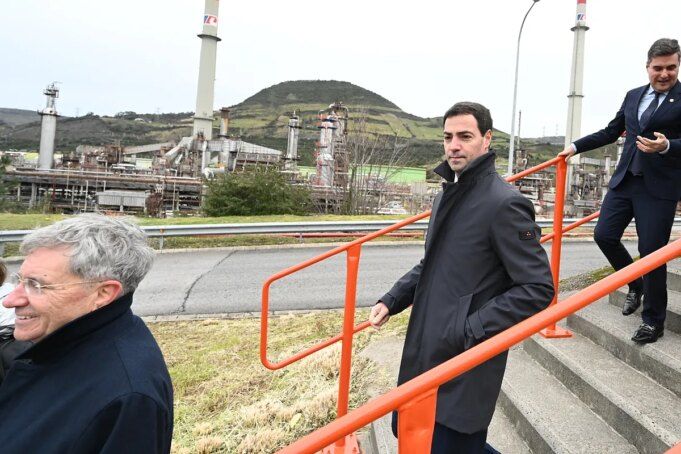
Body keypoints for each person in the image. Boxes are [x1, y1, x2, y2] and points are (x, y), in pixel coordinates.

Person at [369, 102, 554, 453]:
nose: (454, 145)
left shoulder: (504, 203)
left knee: (450, 442)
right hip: (428, 345)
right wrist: (393, 299)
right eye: (448, 137)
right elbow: (432, 263)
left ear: (487, 139)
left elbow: (538, 287)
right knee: (422, 436)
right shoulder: (447, 195)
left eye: (465, 137)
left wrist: (470, 327)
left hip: (464, 357)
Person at [0, 214, 173, 453]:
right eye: (19, 280)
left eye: (36, 285)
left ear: (103, 294)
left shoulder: (127, 397)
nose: (10, 300)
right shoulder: (65, 345)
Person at [559, 38, 681, 344]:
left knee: (652, 253)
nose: (664, 74)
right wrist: (574, 146)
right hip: (625, 181)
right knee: (604, 235)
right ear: (647, 67)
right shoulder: (633, 95)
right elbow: (612, 131)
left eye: (671, 67)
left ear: (678, 65)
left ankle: (653, 320)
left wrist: (667, 145)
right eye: (658, 68)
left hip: (658, 188)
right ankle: (635, 283)